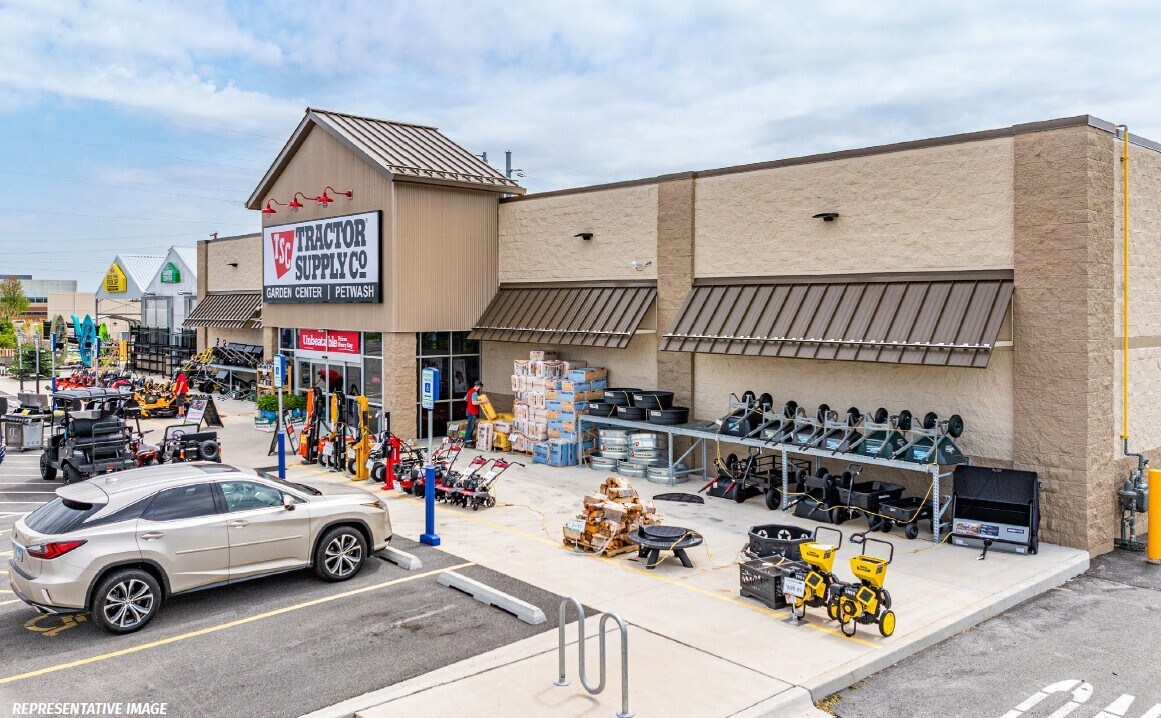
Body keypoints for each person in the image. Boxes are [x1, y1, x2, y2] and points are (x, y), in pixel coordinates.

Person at [464, 380, 484, 447]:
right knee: (470, 428)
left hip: (468, 411)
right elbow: (474, 402)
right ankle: (467, 443)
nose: (479, 388)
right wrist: (482, 401)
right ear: (478, 386)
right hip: (472, 412)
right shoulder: (475, 393)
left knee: (469, 427)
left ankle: (467, 441)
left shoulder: (470, 391)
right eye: (480, 387)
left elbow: (465, 398)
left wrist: (469, 402)